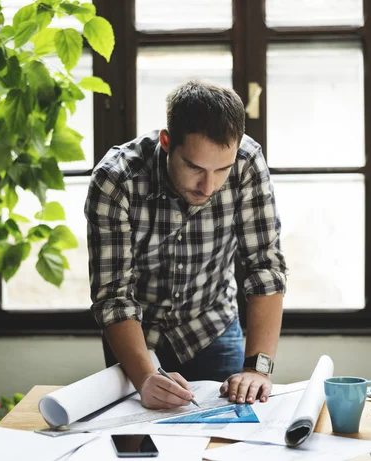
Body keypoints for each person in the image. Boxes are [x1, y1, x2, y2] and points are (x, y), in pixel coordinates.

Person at [85, 80, 287, 410]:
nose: (208, 186)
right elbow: (113, 297)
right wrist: (145, 376)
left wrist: (257, 369)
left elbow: (264, 268)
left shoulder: (248, 161)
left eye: (222, 169)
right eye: (194, 167)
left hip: (212, 328)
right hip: (136, 336)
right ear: (167, 142)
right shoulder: (115, 180)